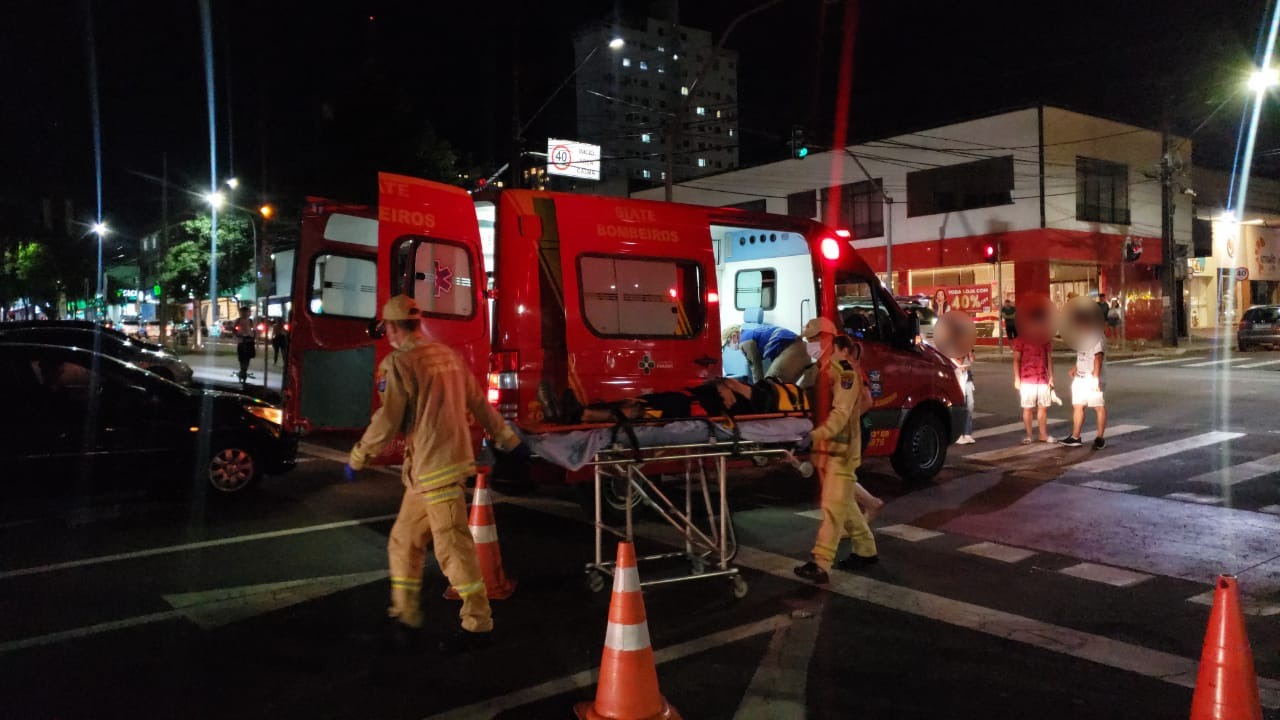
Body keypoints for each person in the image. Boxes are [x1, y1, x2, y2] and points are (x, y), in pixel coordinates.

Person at [344, 295, 531, 653]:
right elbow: (480, 403)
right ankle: (405, 615)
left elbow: (387, 421)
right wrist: (510, 441)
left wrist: (358, 456)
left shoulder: (398, 364)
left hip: (436, 468)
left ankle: (478, 624)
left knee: (453, 548)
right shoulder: (448, 356)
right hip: (430, 470)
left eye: (387, 328)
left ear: (393, 327)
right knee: (404, 540)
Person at [794, 318, 878, 585]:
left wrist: (814, 436)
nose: (811, 345)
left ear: (829, 339)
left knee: (831, 508)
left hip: (841, 450)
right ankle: (866, 551)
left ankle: (820, 563)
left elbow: (840, 414)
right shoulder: (822, 370)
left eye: (814, 340)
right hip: (832, 449)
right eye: (808, 340)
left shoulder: (843, 373)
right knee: (845, 505)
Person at [1060, 319, 1107, 450]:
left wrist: (1095, 378)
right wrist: (1075, 368)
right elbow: (1083, 355)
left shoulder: (1096, 336)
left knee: (1098, 406)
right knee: (1078, 406)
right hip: (1080, 376)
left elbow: (1098, 357)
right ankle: (1075, 437)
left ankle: (1100, 438)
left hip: (1091, 377)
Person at [1012, 332, 1054, 444]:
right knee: (1027, 408)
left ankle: (1043, 434)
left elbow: (1049, 359)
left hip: (1042, 377)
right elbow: (1016, 359)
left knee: (1043, 407)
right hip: (1026, 378)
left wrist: (1051, 377)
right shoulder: (1021, 338)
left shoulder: (1045, 338)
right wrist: (1017, 378)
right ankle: (1029, 435)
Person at [951, 349, 976, 444]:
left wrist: (969, 351)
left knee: (970, 404)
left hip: (966, 378)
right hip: (955, 376)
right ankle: (958, 435)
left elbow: (972, 359)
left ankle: (967, 433)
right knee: (959, 406)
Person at [232, 306, 256, 383]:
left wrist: (253, 337)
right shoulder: (238, 320)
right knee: (241, 357)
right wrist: (237, 334)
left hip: (249, 340)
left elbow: (254, 330)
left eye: (246, 312)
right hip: (241, 341)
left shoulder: (251, 321)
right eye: (242, 312)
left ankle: (244, 370)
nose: (244, 314)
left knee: (248, 357)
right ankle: (242, 369)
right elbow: (233, 329)